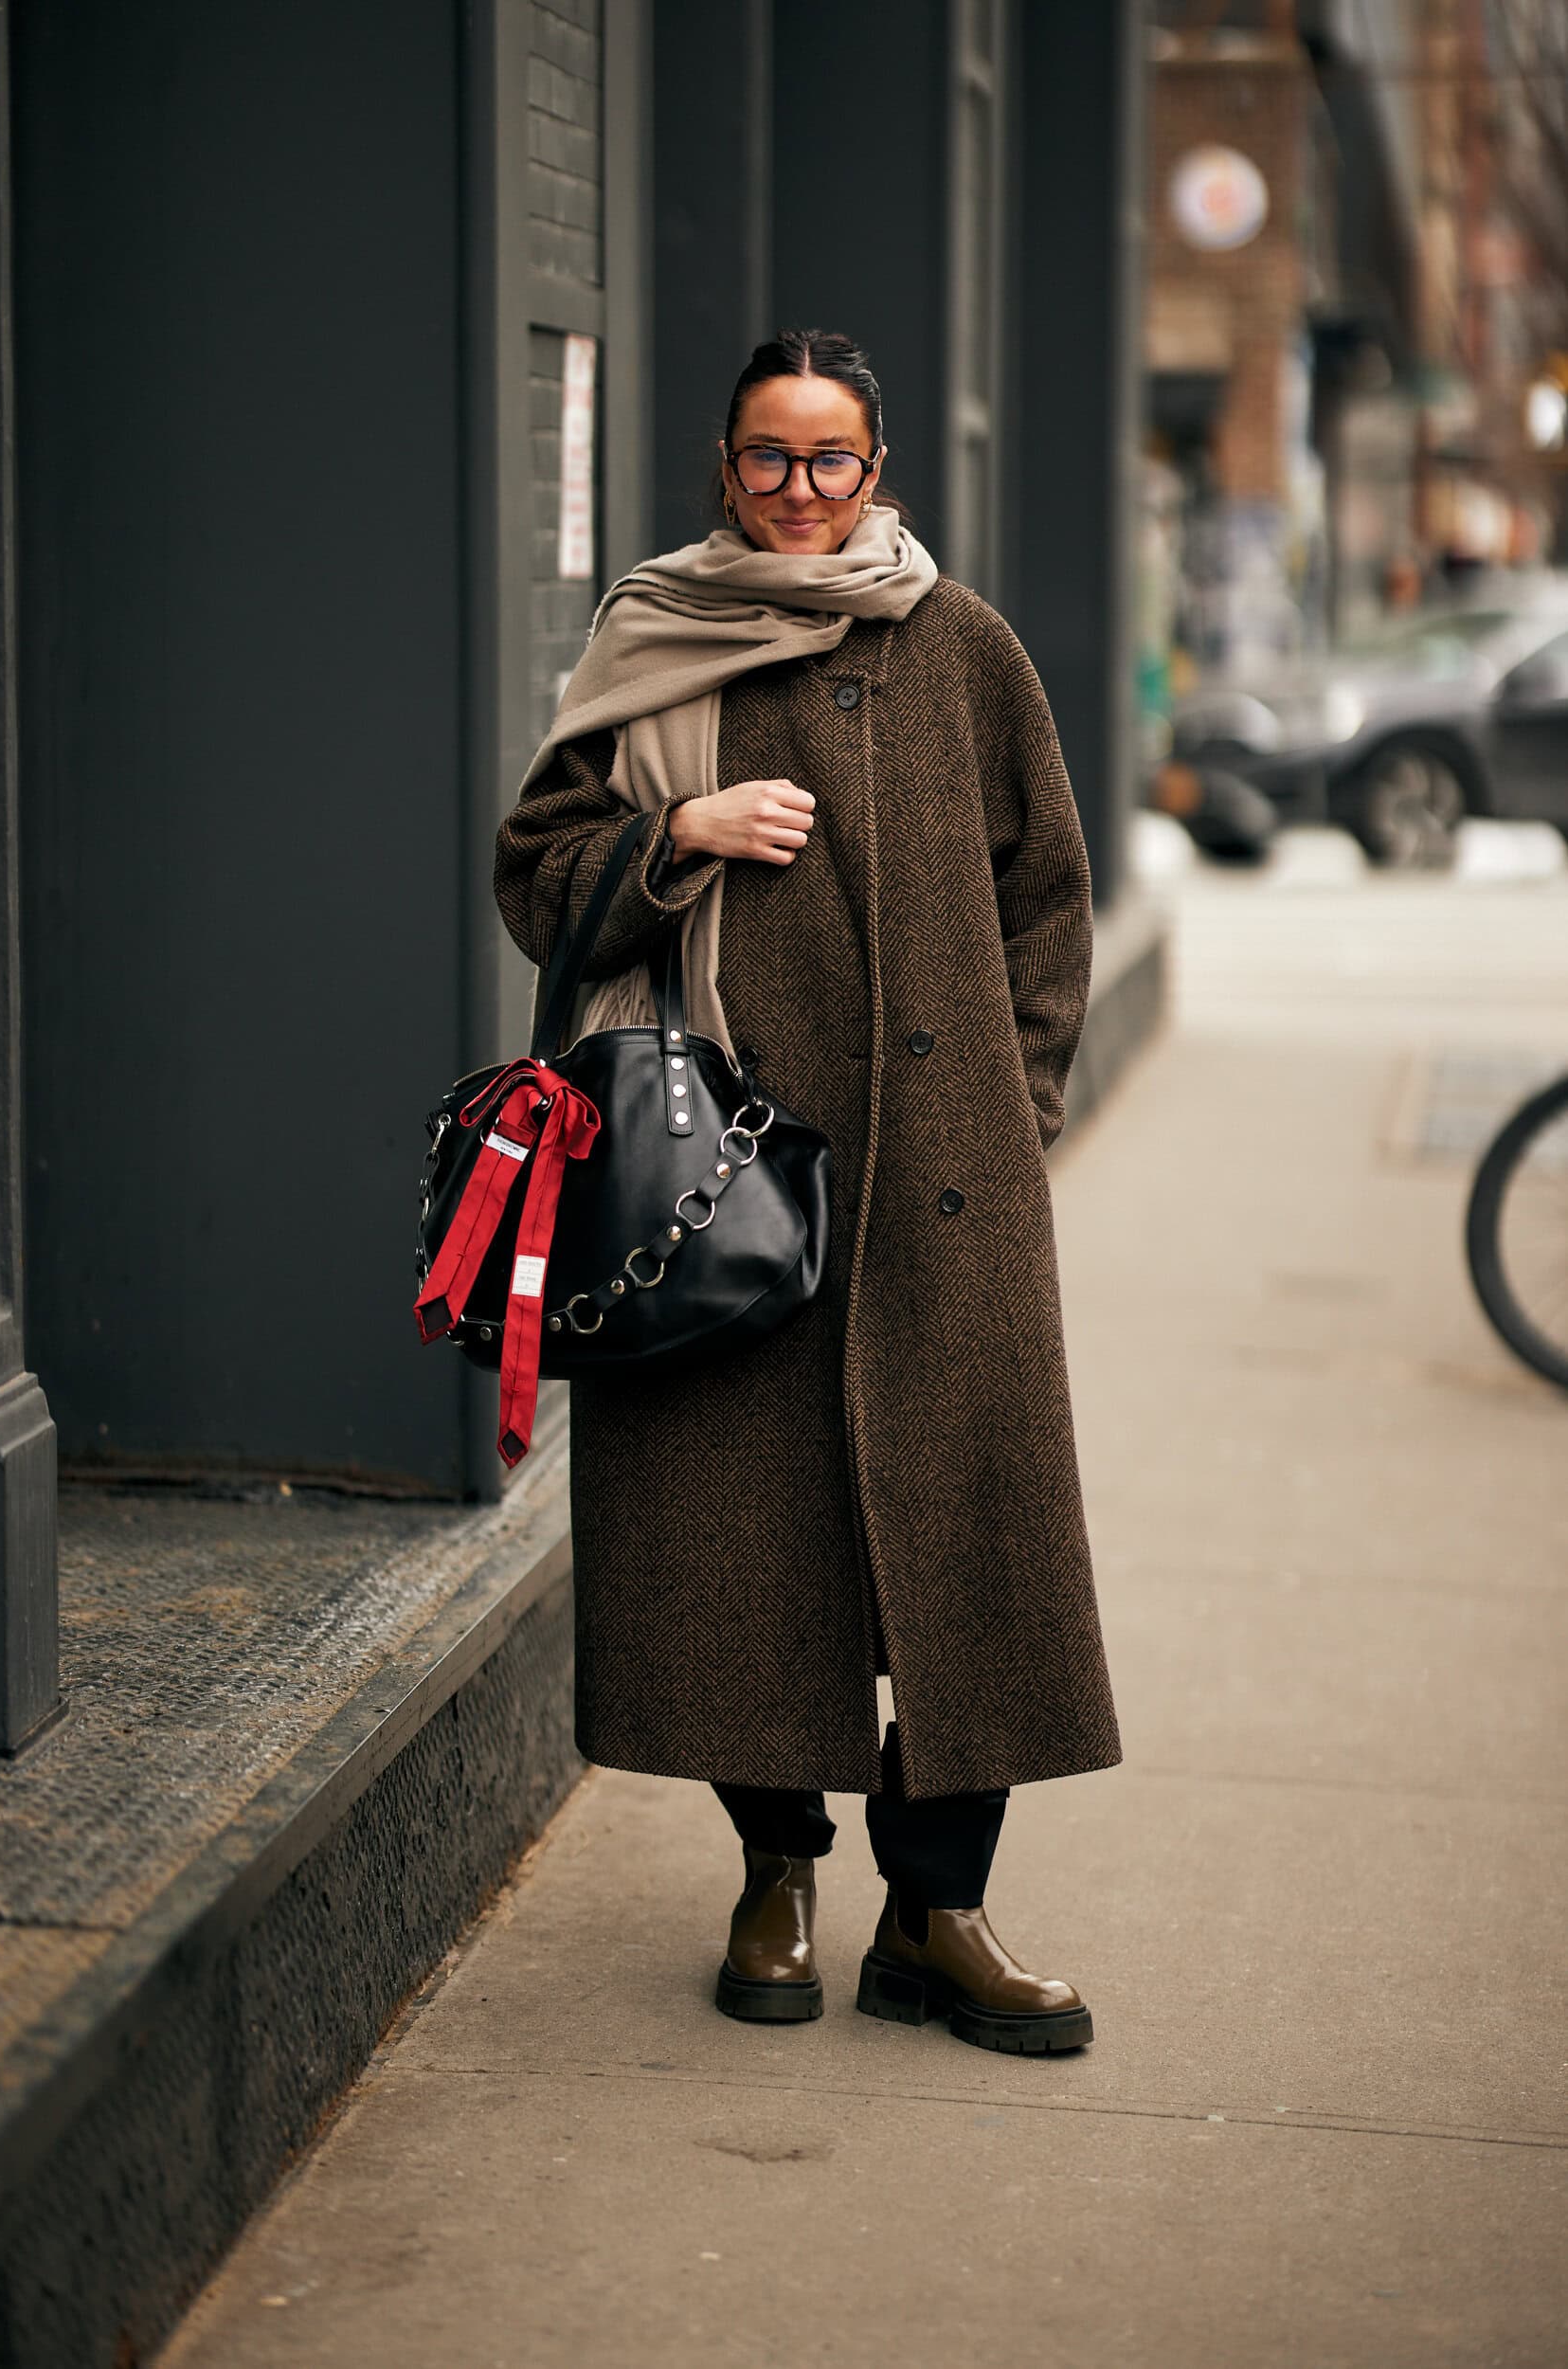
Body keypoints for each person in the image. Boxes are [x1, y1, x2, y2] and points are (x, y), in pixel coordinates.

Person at [496, 329, 1120, 2055]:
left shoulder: (963, 645)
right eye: (766, 458)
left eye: (828, 459)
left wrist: (1021, 1112)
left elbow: (1049, 902)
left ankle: (941, 1910)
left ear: (878, 467)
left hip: (943, 1195)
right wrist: (673, 841)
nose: (797, 490)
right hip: (719, 1189)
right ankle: (776, 1872)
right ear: (725, 464)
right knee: (741, 1541)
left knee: (971, 1542)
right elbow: (534, 881)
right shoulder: (655, 635)